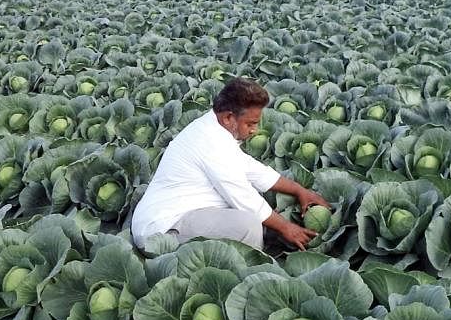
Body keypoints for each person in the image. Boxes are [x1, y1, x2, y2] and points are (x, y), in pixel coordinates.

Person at [130, 77, 330, 251]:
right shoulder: (210, 142)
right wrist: (286, 227)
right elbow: (243, 196)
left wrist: (299, 190)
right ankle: (248, 272)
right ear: (228, 118)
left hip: (182, 216)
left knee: (256, 214)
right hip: (161, 231)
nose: (255, 130)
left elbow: (253, 170)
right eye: (250, 123)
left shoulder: (214, 130)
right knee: (248, 225)